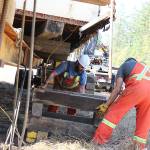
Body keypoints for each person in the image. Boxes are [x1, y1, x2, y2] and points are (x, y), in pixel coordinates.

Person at [93, 58, 150, 150]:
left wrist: (106, 105)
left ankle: (98, 141)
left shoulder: (124, 66)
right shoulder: (142, 67)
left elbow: (117, 89)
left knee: (113, 114)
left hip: (137, 88)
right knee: (143, 122)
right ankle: (139, 147)